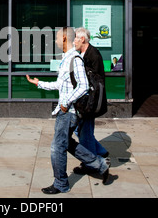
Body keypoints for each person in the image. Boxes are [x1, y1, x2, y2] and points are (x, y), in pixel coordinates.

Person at [26, 27, 110, 194]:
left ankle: (61, 183)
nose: (56, 41)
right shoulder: (66, 59)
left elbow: (84, 86)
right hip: (66, 110)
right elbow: (60, 84)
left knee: (57, 147)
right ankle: (99, 164)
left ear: (64, 38)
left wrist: (66, 102)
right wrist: (39, 83)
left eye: (57, 38)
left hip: (69, 112)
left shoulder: (75, 59)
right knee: (67, 143)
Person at [72, 27, 109, 175]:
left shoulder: (94, 55)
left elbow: (98, 82)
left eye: (75, 38)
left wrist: (90, 101)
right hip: (83, 100)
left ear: (82, 39)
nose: (73, 41)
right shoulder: (81, 53)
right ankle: (100, 151)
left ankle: (91, 164)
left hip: (89, 101)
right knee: (81, 130)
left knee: (84, 132)